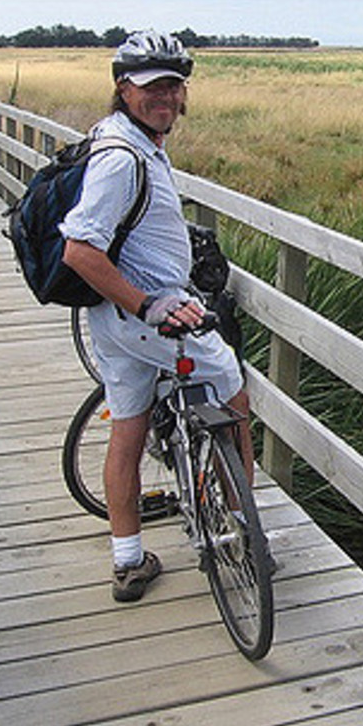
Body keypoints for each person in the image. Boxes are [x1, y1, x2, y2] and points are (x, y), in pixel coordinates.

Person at [60, 29, 255, 602]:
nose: (164, 97)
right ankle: (244, 532)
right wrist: (150, 302)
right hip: (146, 317)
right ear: (123, 88)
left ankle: (128, 560)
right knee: (232, 390)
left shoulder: (123, 138)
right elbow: (79, 248)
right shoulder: (122, 158)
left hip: (114, 319)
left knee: (129, 427)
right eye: (151, 87)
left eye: (173, 86)